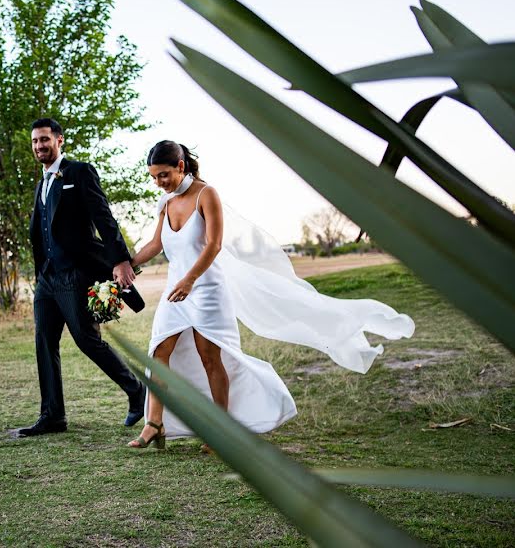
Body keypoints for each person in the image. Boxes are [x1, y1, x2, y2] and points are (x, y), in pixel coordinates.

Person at [127, 141, 414, 448]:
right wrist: (125, 265)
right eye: (154, 177)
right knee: (159, 354)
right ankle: (154, 424)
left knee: (210, 359)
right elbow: (155, 245)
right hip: (176, 294)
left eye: (163, 175)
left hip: (207, 290)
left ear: (180, 166)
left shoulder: (206, 194)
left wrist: (190, 280)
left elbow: (214, 244)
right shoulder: (165, 203)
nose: (159, 183)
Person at [17, 118, 146, 437]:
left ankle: (137, 392)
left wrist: (119, 259)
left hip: (76, 273)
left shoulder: (79, 172)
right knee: (44, 342)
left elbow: (104, 216)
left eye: (44, 139)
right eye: (34, 141)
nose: (39, 146)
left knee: (88, 341)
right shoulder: (42, 182)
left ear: (60, 140)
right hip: (47, 278)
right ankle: (52, 416)